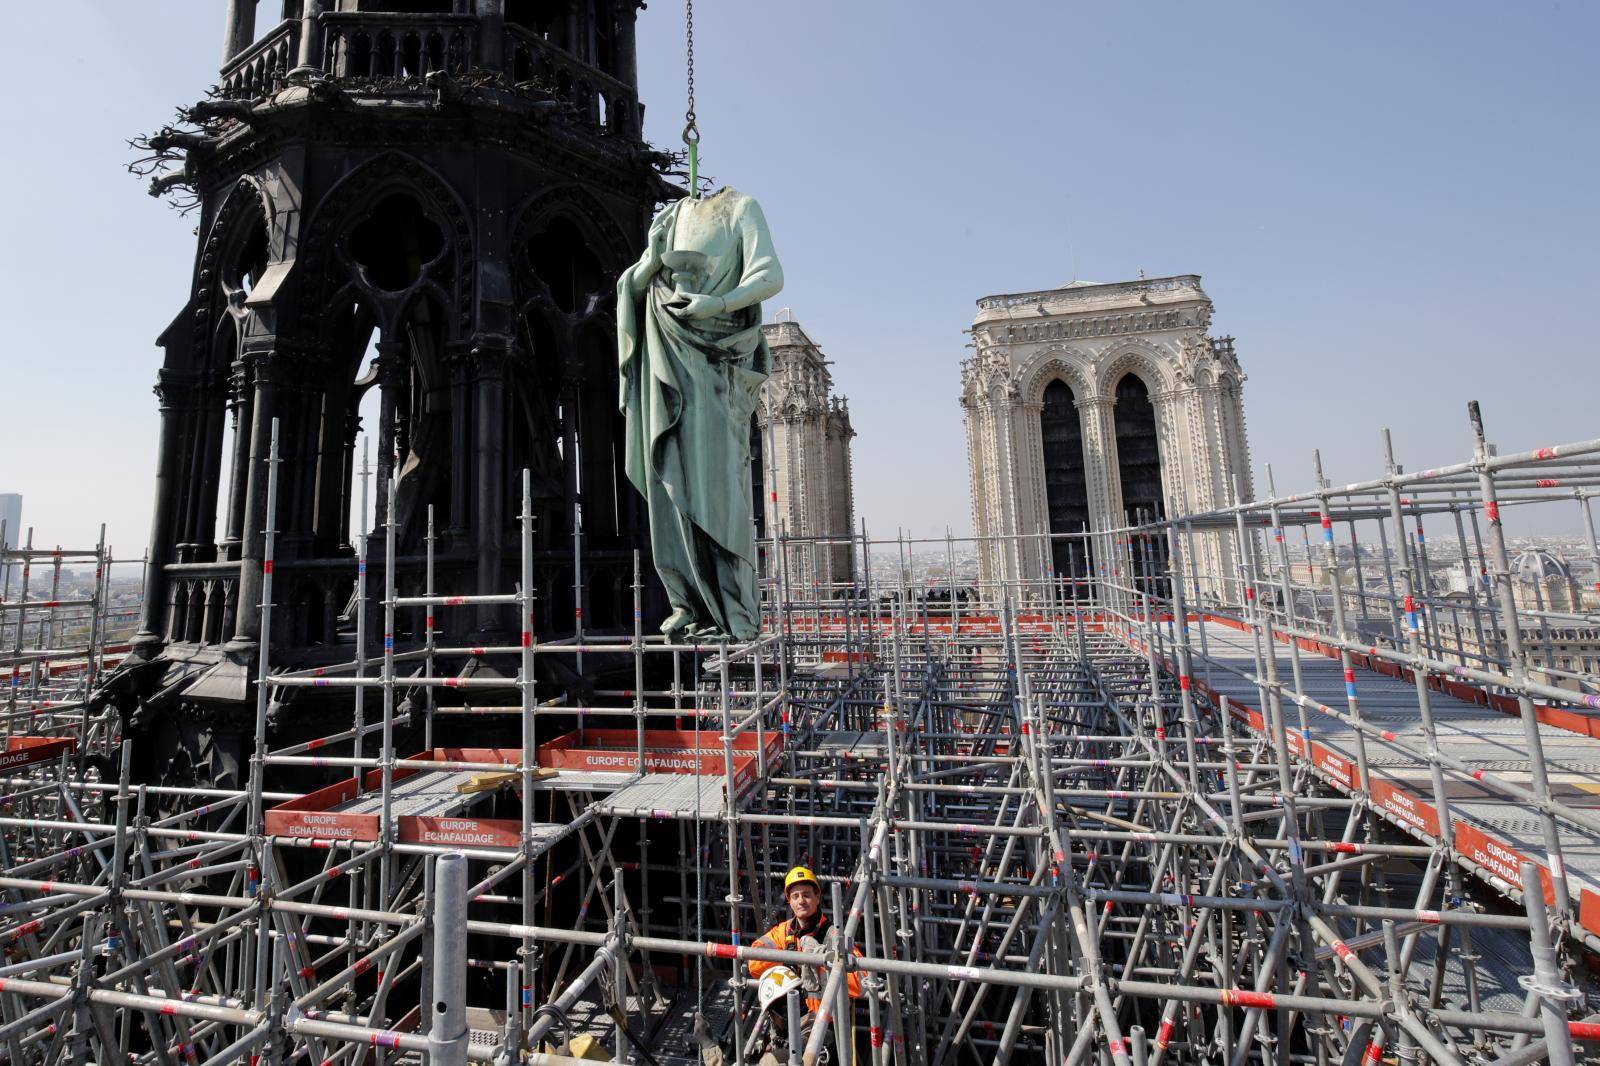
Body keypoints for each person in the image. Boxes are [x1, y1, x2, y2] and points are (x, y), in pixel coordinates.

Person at [749, 866, 862, 1012]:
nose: (801, 901)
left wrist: (821, 961)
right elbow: (753, 962)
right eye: (795, 896)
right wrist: (791, 959)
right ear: (789, 901)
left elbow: (859, 983)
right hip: (792, 1017)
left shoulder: (834, 936)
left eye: (807, 895)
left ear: (817, 897)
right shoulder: (784, 931)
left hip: (826, 1021)